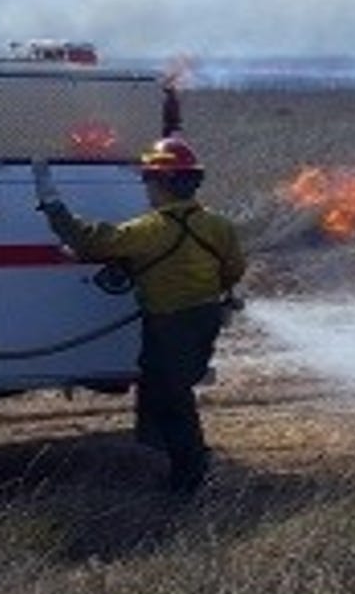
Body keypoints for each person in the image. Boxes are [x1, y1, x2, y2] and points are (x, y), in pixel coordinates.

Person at [36, 135, 248, 491]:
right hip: (205, 319)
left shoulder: (149, 230)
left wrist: (52, 203)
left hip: (169, 325)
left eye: (148, 178)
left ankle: (189, 479)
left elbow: (89, 240)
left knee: (172, 398)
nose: (145, 185)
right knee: (166, 388)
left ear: (163, 184)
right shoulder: (218, 225)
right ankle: (161, 456)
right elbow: (234, 271)